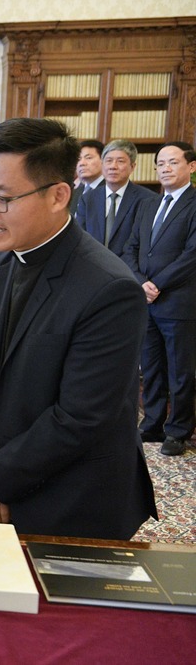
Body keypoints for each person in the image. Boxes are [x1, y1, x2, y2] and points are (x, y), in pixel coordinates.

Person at [0, 118, 157, 540]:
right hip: (5, 477)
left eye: (2, 198)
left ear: (58, 195)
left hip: (76, 498)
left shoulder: (109, 288)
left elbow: (81, 417)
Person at [123, 141, 196, 457]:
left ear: (191, 166)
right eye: (160, 164)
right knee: (150, 366)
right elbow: (131, 249)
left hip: (179, 301)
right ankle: (152, 423)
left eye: (172, 162)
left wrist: (157, 284)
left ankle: (178, 430)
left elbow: (193, 254)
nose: (165, 169)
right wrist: (141, 282)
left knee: (180, 370)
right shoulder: (149, 204)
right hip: (147, 301)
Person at [77, 139, 155, 260]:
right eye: (108, 161)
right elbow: (80, 237)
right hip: (92, 266)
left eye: (120, 161)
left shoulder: (147, 199)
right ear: (102, 165)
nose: (113, 166)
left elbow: (143, 243)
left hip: (129, 270)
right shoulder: (88, 199)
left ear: (132, 166)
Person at [70, 139, 104, 220]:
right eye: (78, 159)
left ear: (103, 160)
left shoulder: (110, 190)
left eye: (88, 158)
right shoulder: (74, 192)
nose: (82, 163)